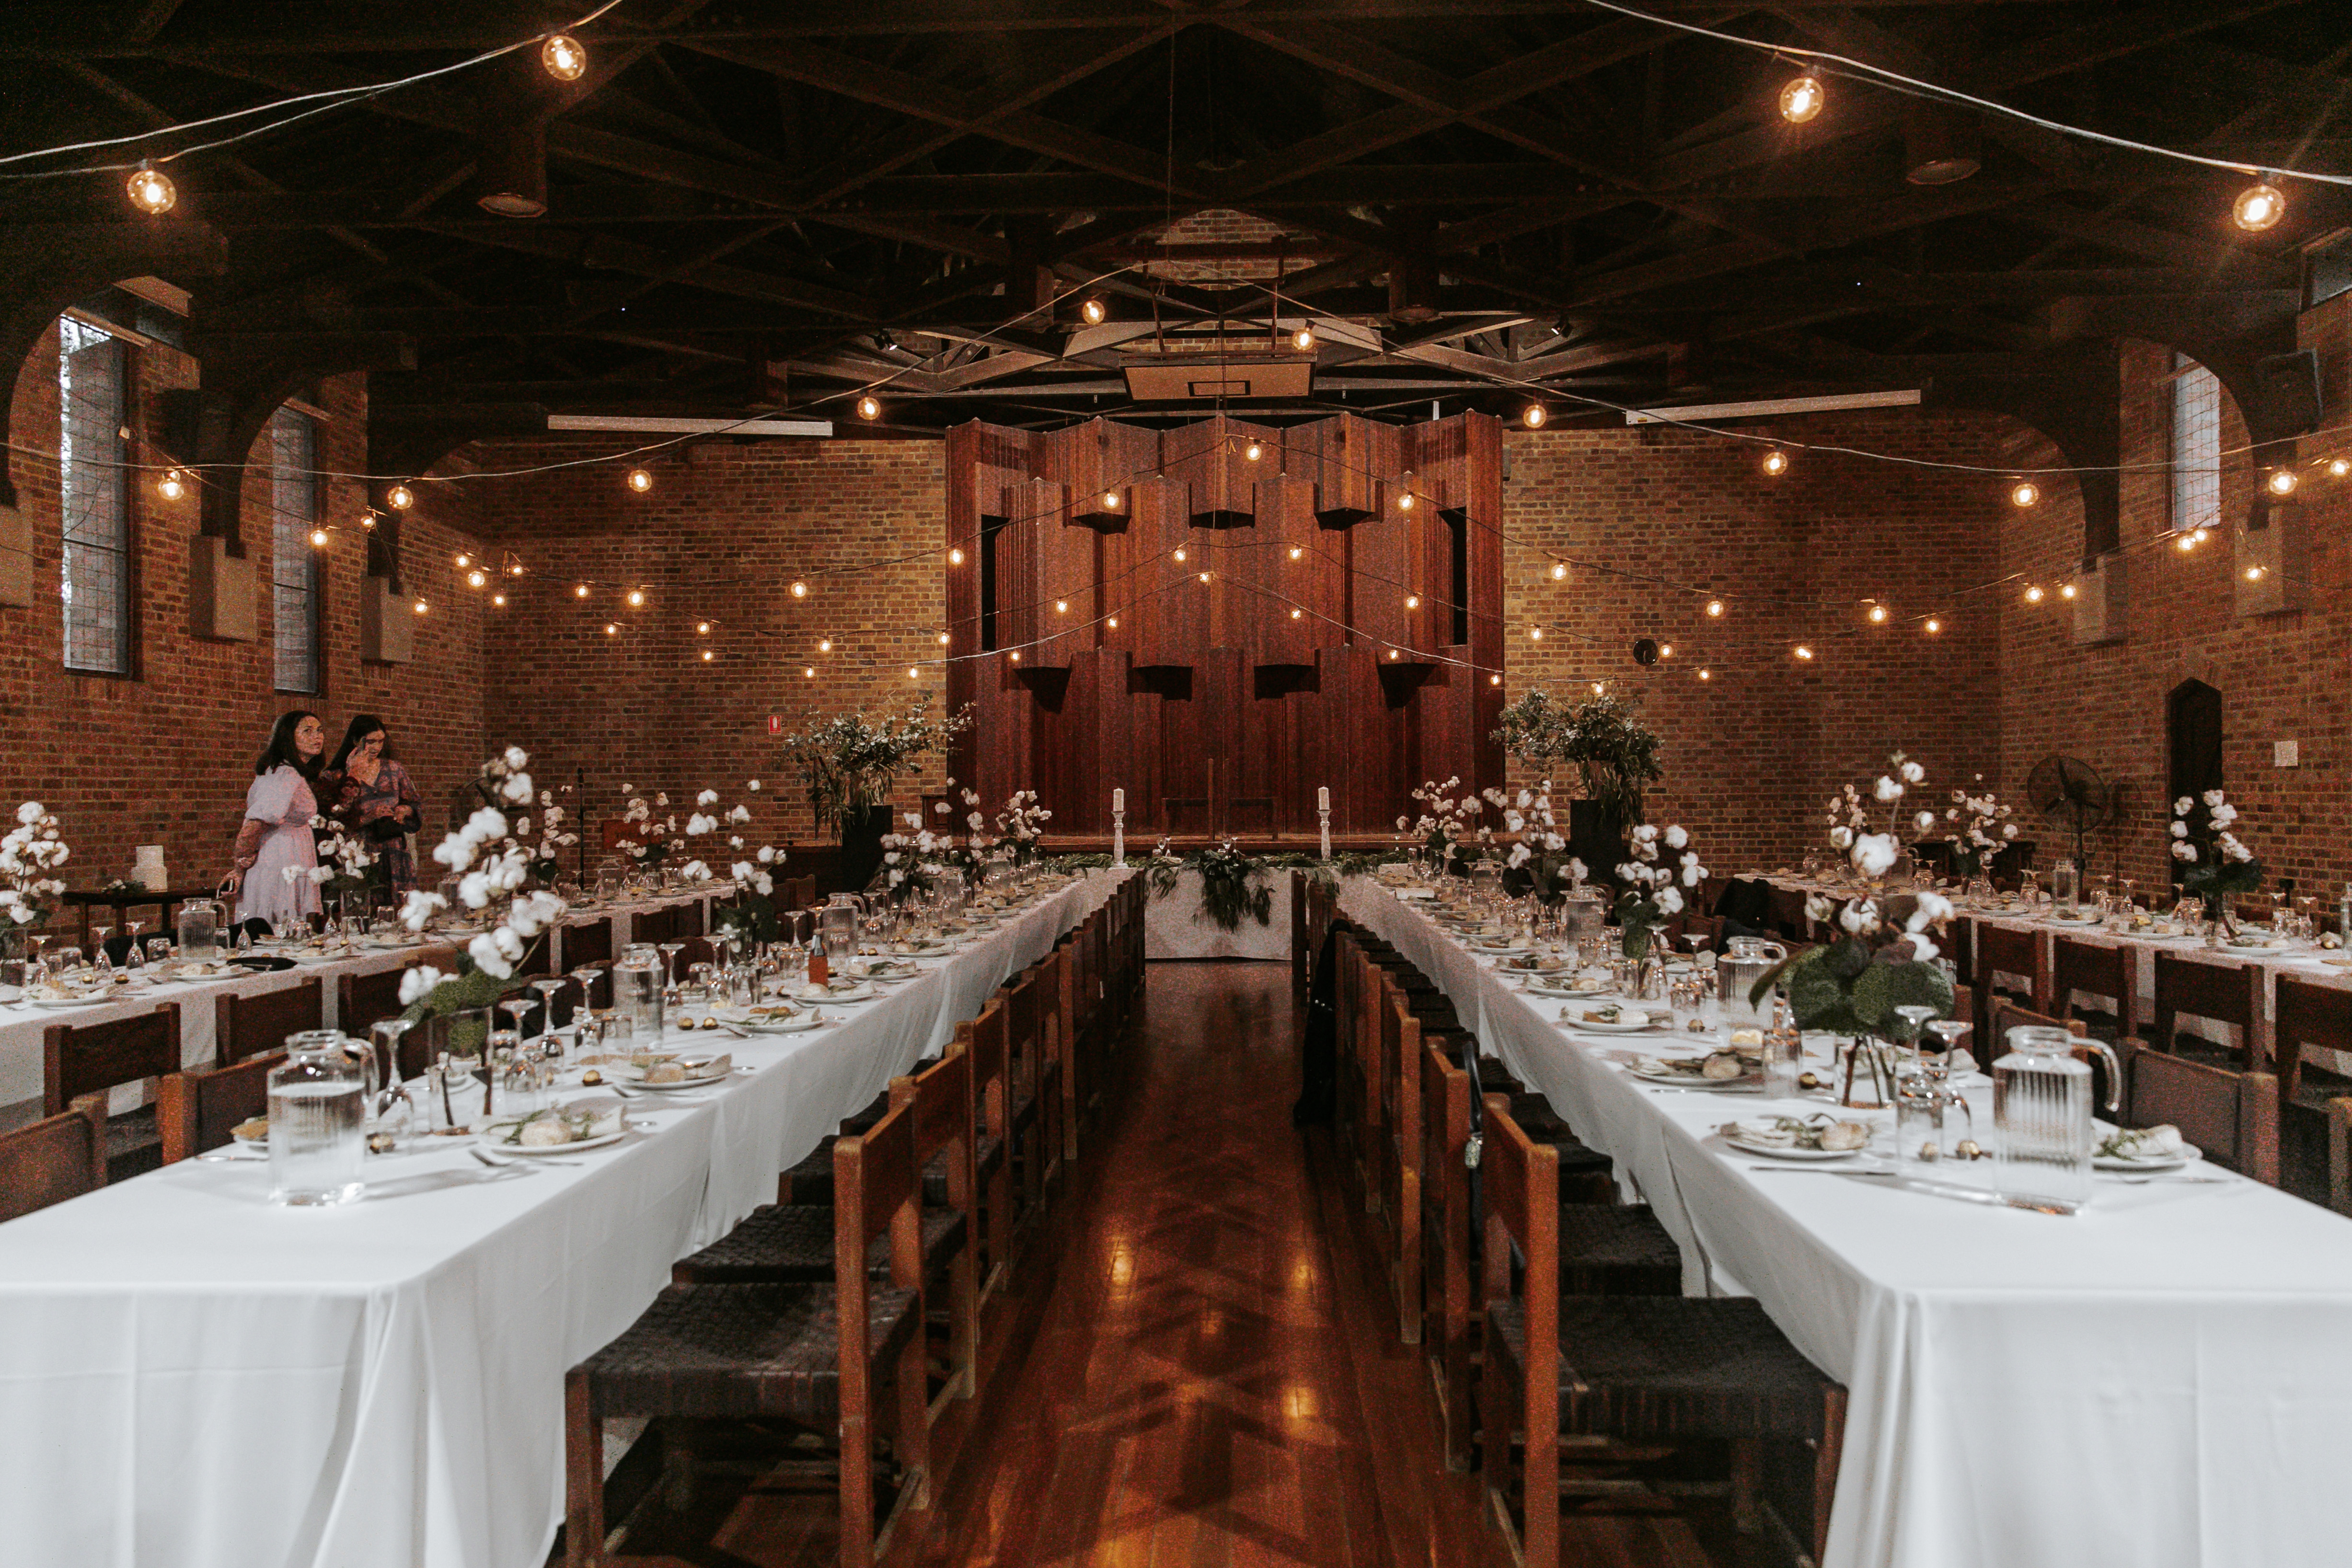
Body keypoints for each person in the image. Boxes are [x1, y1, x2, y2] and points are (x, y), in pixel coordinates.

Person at [221, 710, 326, 930]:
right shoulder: (284, 774)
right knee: (278, 926)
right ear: (288, 737)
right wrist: (239, 868)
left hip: (291, 854)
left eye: (319, 731)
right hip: (281, 858)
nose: (317, 737)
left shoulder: (287, 772)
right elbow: (254, 824)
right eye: (307, 731)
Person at [320, 713, 425, 895]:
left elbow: (416, 804)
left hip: (393, 851)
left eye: (381, 741)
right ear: (356, 741)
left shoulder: (393, 769)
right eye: (371, 742)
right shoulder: (336, 776)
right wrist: (369, 816)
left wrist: (404, 810)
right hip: (358, 854)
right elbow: (333, 819)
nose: (377, 747)